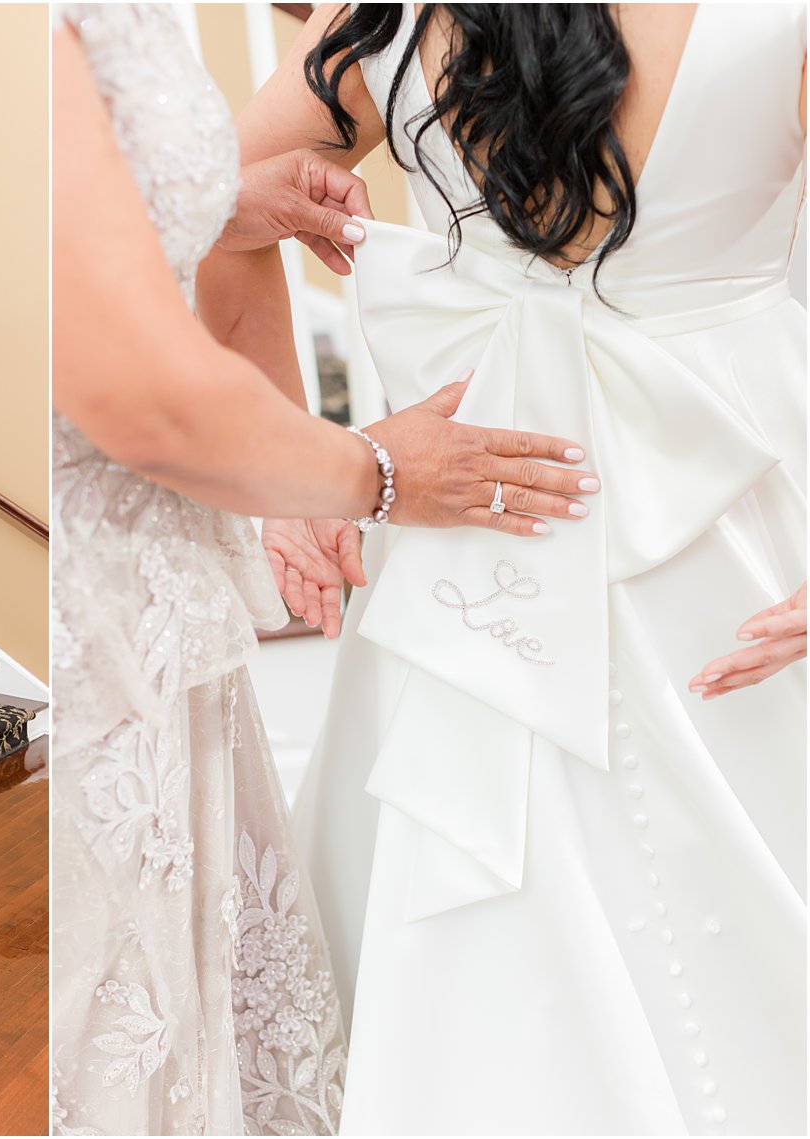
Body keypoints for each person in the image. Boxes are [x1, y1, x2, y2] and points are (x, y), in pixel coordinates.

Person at [199, 3, 807, 1132]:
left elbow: (204, 206)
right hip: (722, 533)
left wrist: (299, 473)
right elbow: (213, 208)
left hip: (478, 533)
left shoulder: (389, 18)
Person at [50, 4, 603, 1133]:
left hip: (166, 582)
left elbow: (198, 213)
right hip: (109, 564)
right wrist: (366, 473)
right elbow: (135, 381)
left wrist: (234, 204)